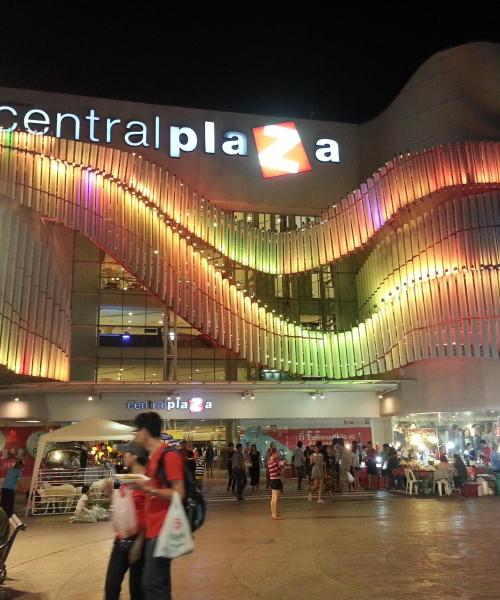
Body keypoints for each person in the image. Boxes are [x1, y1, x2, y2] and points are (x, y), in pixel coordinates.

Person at [132, 412, 185, 600]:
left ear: (144, 431)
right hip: (152, 531)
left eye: (136, 430)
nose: (135, 435)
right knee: (157, 584)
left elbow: (179, 493)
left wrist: (150, 490)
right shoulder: (153, 458)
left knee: (151, 584)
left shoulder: (168, 456)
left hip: (163, 531)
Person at [105, 442, 147, 600]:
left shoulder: (147, 481)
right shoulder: (121, 477)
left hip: (139, 542)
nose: (123, 456)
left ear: (135, 456)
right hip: (120, 540)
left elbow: (149, 514)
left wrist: (140, 543)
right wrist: (109, 493)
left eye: (127, 453)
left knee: (136, 591)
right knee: (111, 587)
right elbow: (116, 504)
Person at [268, 446, 284, 519]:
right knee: (276, 498)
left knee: (273, 498)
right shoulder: (274, 462)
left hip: (272, 480)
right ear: (273, 453)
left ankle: (274, 514)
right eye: (276, 453)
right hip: (276, 480)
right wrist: (282, 465)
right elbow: (278, 471)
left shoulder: (270, 461)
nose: (277, 454)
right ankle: (275, 515)